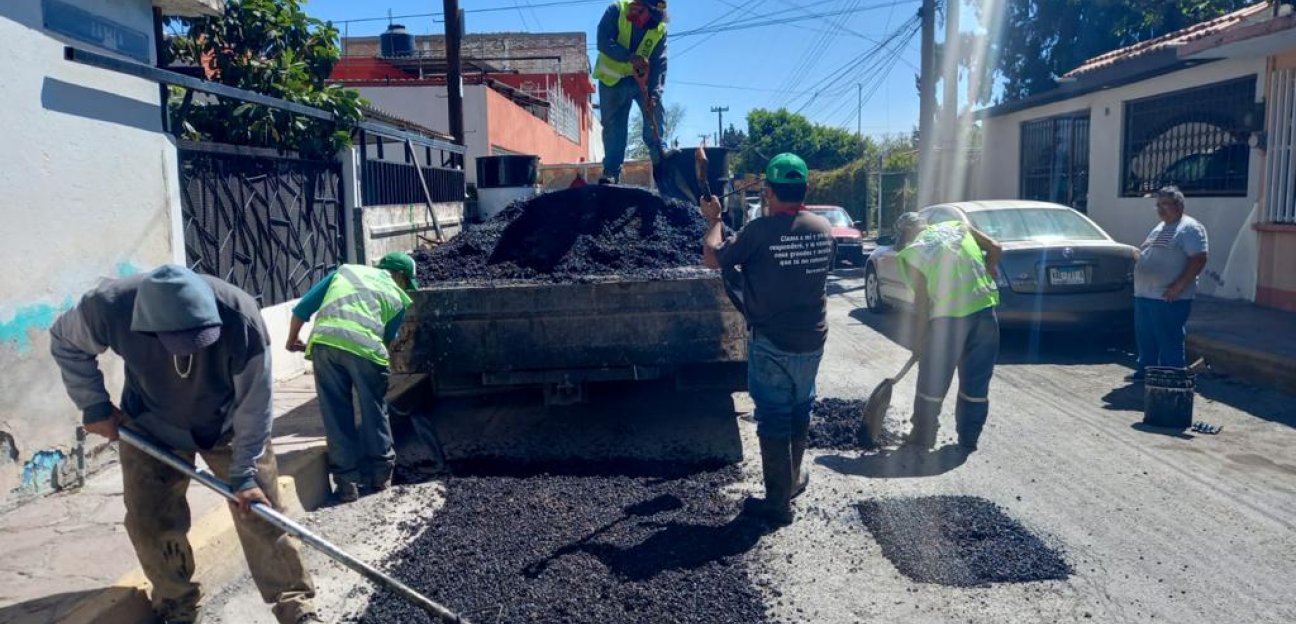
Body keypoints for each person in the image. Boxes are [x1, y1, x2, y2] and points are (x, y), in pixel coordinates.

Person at [49, 265, 318, 624]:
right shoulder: (108, 307)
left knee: (261, 512)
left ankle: (295, 605)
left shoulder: (240, 317)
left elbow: (256, 401)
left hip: (229, 423)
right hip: (150, 422)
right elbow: (65, 341)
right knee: (150, 519)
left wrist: (246, 474)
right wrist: (93, 403)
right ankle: (176, 602)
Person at [702, 153, 834, 525]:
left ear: (770, 191)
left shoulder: (761, 231)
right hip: (813, 339)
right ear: (804, 189)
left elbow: (714, 257)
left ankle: (778, 505)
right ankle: (791, 480)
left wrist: (714, 221)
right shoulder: (823, 228)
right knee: (800, 407)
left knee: (774, 416)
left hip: (773, 341)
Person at [286, 253, 415, 503]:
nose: (405, 287)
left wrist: (292, 340)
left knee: (335, 413)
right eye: (407, 282)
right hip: (366, 351)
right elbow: (385, 342)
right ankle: (380, 476)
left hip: (325, 346)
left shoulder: (345, 272)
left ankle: (347, 483)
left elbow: (302, 309)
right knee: (373, 410)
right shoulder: (398, 297)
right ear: (399, 275)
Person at [894, 212, 1002, 452]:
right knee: (976, 381)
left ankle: (924, 435)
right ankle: (969, 438)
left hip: (948, 321)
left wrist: (920, 341)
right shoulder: (958, 226)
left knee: (932, 379)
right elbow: (996, 247)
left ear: (907, 234)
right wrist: (990, 268)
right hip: (985, 313)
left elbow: (922, 304)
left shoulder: (916, 251)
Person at [1127, 186, 1209, 383]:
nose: (1160, 210)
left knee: (1168, 339)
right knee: (1146, 338)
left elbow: (1198, 259)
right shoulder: (1160, 227)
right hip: (1145, 295)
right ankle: (1145, 372)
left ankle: (1171, 378)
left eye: (1164, 204)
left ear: (1179, 205)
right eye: (1158, 205)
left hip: (1168, 297)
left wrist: (1178, 287)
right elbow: (1147, 251)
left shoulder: (1189, 228)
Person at [593, 0, 668, 184]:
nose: (648, 23)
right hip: (613, 81)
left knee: (655, 112)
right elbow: (603, 41)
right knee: (614, 126)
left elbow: (660, 63)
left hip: (640, 80)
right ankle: (611, 171)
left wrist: (655, 94)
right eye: (646, 17)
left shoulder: (658, 28)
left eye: (653, 20)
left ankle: (662, 161)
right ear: (638, 6)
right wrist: (629, 57)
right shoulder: (616, 10)